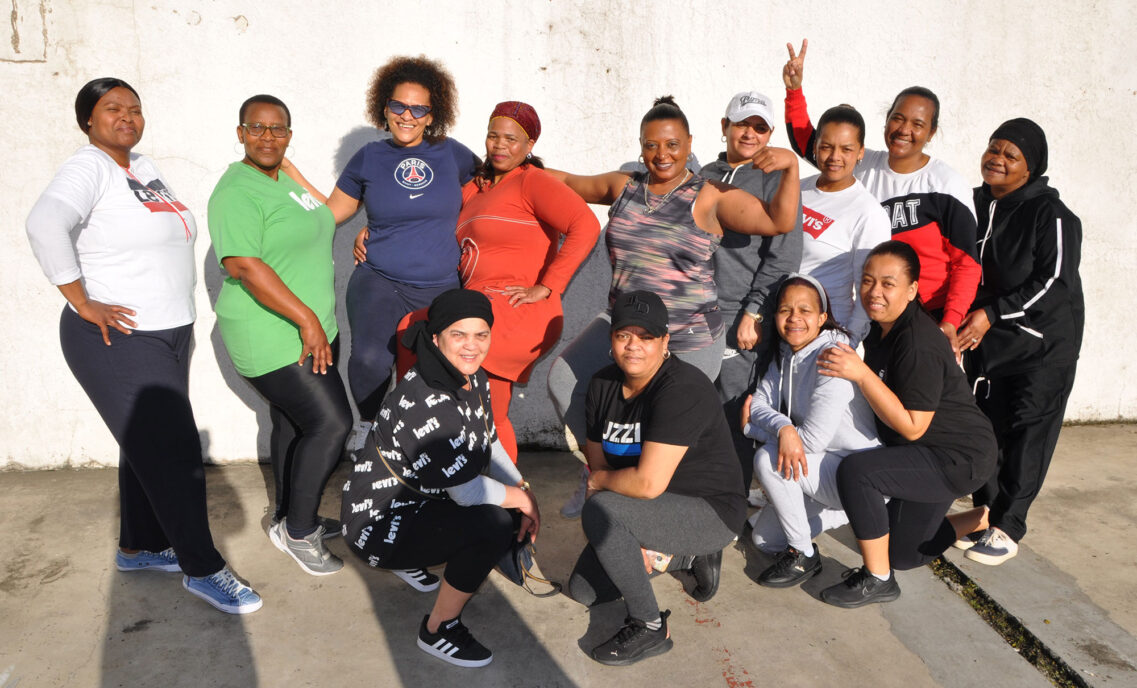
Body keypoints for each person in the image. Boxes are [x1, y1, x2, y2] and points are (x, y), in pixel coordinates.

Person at [25, 77, 261, 614]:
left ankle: (140, 546)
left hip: (169, 332)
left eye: (134, 108)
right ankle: (203, 568)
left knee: (147, 447)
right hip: (117, 336)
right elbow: (44, 223)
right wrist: (82, 301)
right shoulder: (89, 167)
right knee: (176, 456)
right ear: (88, 119)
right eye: (112, 109)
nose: (126, 117)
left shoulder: (145, 168)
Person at [547, 96, 799, 518]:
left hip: (688, 336)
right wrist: (512, 164)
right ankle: (601, 475)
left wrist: (791, 168)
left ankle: (665, 517)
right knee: (562, 380)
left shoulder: (709, 196)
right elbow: (569, 181)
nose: (661, 155)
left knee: (668, 428)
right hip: (626, 325)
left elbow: (779, 222)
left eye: (672, 144)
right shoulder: (624, 185)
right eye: (651, 145)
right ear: (641, 146)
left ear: (689, 144)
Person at [284, 56, 480, 453]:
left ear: (431, 115)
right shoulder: (368, 158)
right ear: (384, 108)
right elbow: (331, 214)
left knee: (436, 369)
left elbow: (491, 195)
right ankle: (368, 426)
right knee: (370, 360)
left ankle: (432, 443)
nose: (406, 115)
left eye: (418, 108)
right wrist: (287, 169)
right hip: (380, 279)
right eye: (398, 106)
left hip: (439, 285)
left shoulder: (453, 155)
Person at [386, 101, 600, 461]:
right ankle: (416, 420)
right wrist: (372, 233)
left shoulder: (532, 182)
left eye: (512, 139)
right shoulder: (475, 189)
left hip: (518, 307)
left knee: (489, 413)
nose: (500, 145)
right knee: (412, 328)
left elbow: (586, 225)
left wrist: (549, 285)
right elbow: (426, 216)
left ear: (529, 145)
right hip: (479, 306)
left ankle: (508, 503)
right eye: (493, 136)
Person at [341, 289, 541, 668]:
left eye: (481, 335)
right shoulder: (427, 397)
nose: (472, 346)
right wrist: (521, 501)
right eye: (458, 335)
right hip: (376, 525)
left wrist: (524, 489)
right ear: (435, 338)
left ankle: (411, 556)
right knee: (494, 522)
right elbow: (466, 493)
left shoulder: (472, 378)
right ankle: (438, 629)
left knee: (508, 502)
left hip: (412, 502)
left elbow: (489, 441)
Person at [208, 95, 351, 576]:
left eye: (278, 129)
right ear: (240, 131)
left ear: (290, 135)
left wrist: (285, 162)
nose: (267, 136)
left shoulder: (283, 180)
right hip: (272, 333)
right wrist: (307, 320)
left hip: (311, 328)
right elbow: (244, 265)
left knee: (294, 424)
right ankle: (300, 532)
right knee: (331, 425)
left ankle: (290, 516)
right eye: (257, 128)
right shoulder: (236, 190)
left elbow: (326, 216)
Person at [568, 291, 747, 666]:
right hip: (647, 507)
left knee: (603, 510)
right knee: (584, 590)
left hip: (708, 510)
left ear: (665, 341)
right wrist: (629, 533)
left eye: (646, 337)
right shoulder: (602, 385)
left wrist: (608, 500)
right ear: (612, 339)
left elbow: (644, 484)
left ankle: (650, 626)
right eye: (624, 335)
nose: (634, 346)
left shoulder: (682, 388)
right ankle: (679, 555)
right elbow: (597, 463)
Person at [816, 241, 996, 607]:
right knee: (903, 554)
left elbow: (913, 426)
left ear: (912, 290)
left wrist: (861, 373)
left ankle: (878, 580)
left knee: (858, 473)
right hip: (924, 448)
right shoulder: (883, 326)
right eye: (867, 281)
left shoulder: (917, 342)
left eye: (887, 283)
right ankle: (977, 518)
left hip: (956, 457)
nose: (874, 292)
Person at [783, 39, 980, 356]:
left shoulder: (947, 184)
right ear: (887, 120)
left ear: (931, 132)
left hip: (926, 316)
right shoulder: (863, 166)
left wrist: (951, 321)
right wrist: (795, 91)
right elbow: (810, 140)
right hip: (876, 314)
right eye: (898, 118)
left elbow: (967, 264)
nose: (904, 130)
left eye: (918, 124)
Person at [953, 119, 1083, 565]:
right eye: (994, 148)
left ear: (1031, 168)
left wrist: (990, 313)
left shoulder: (1052, 215)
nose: (998, 159)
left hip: (1042, 346)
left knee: (1028, 430)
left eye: (1011, 155)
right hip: (988, 341)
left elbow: (1055, 282)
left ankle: (1010, 526)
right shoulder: (974, 204)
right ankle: (986, 515)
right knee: (986, 428)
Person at [743, 275, 880, 588]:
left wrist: (756, 430)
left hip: (853, 471)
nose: (794, 318)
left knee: (769, 460)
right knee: (764, 540)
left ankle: (804, 554)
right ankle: (839, 514)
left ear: (822, 318)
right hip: (820, 467)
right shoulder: (787, 352)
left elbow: (812, 441)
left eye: (805, 310)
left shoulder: (832, 357)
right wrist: (782, 425)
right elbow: (759, 403)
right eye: (785, 310)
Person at [698, 90, 803, 491]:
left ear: (770, 134)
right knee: (693, 409)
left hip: (738, 314)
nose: (750, 133)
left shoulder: (778, 180)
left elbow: (783, 256)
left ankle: (728, 504)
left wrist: (754, 311)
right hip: (695, 309)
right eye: (742, 124)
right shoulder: (704, 173)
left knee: (732, 414)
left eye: (760, 127)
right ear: (724, 126)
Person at [796, 105, 892, 344]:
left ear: (860, 152)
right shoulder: (796, 188)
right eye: (827, 147)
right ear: (815, 147)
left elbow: (868, 290)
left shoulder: (868, 213)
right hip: (782, 323)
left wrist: (848, 341)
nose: (834, 157)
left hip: (825, 334)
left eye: (846, 149)